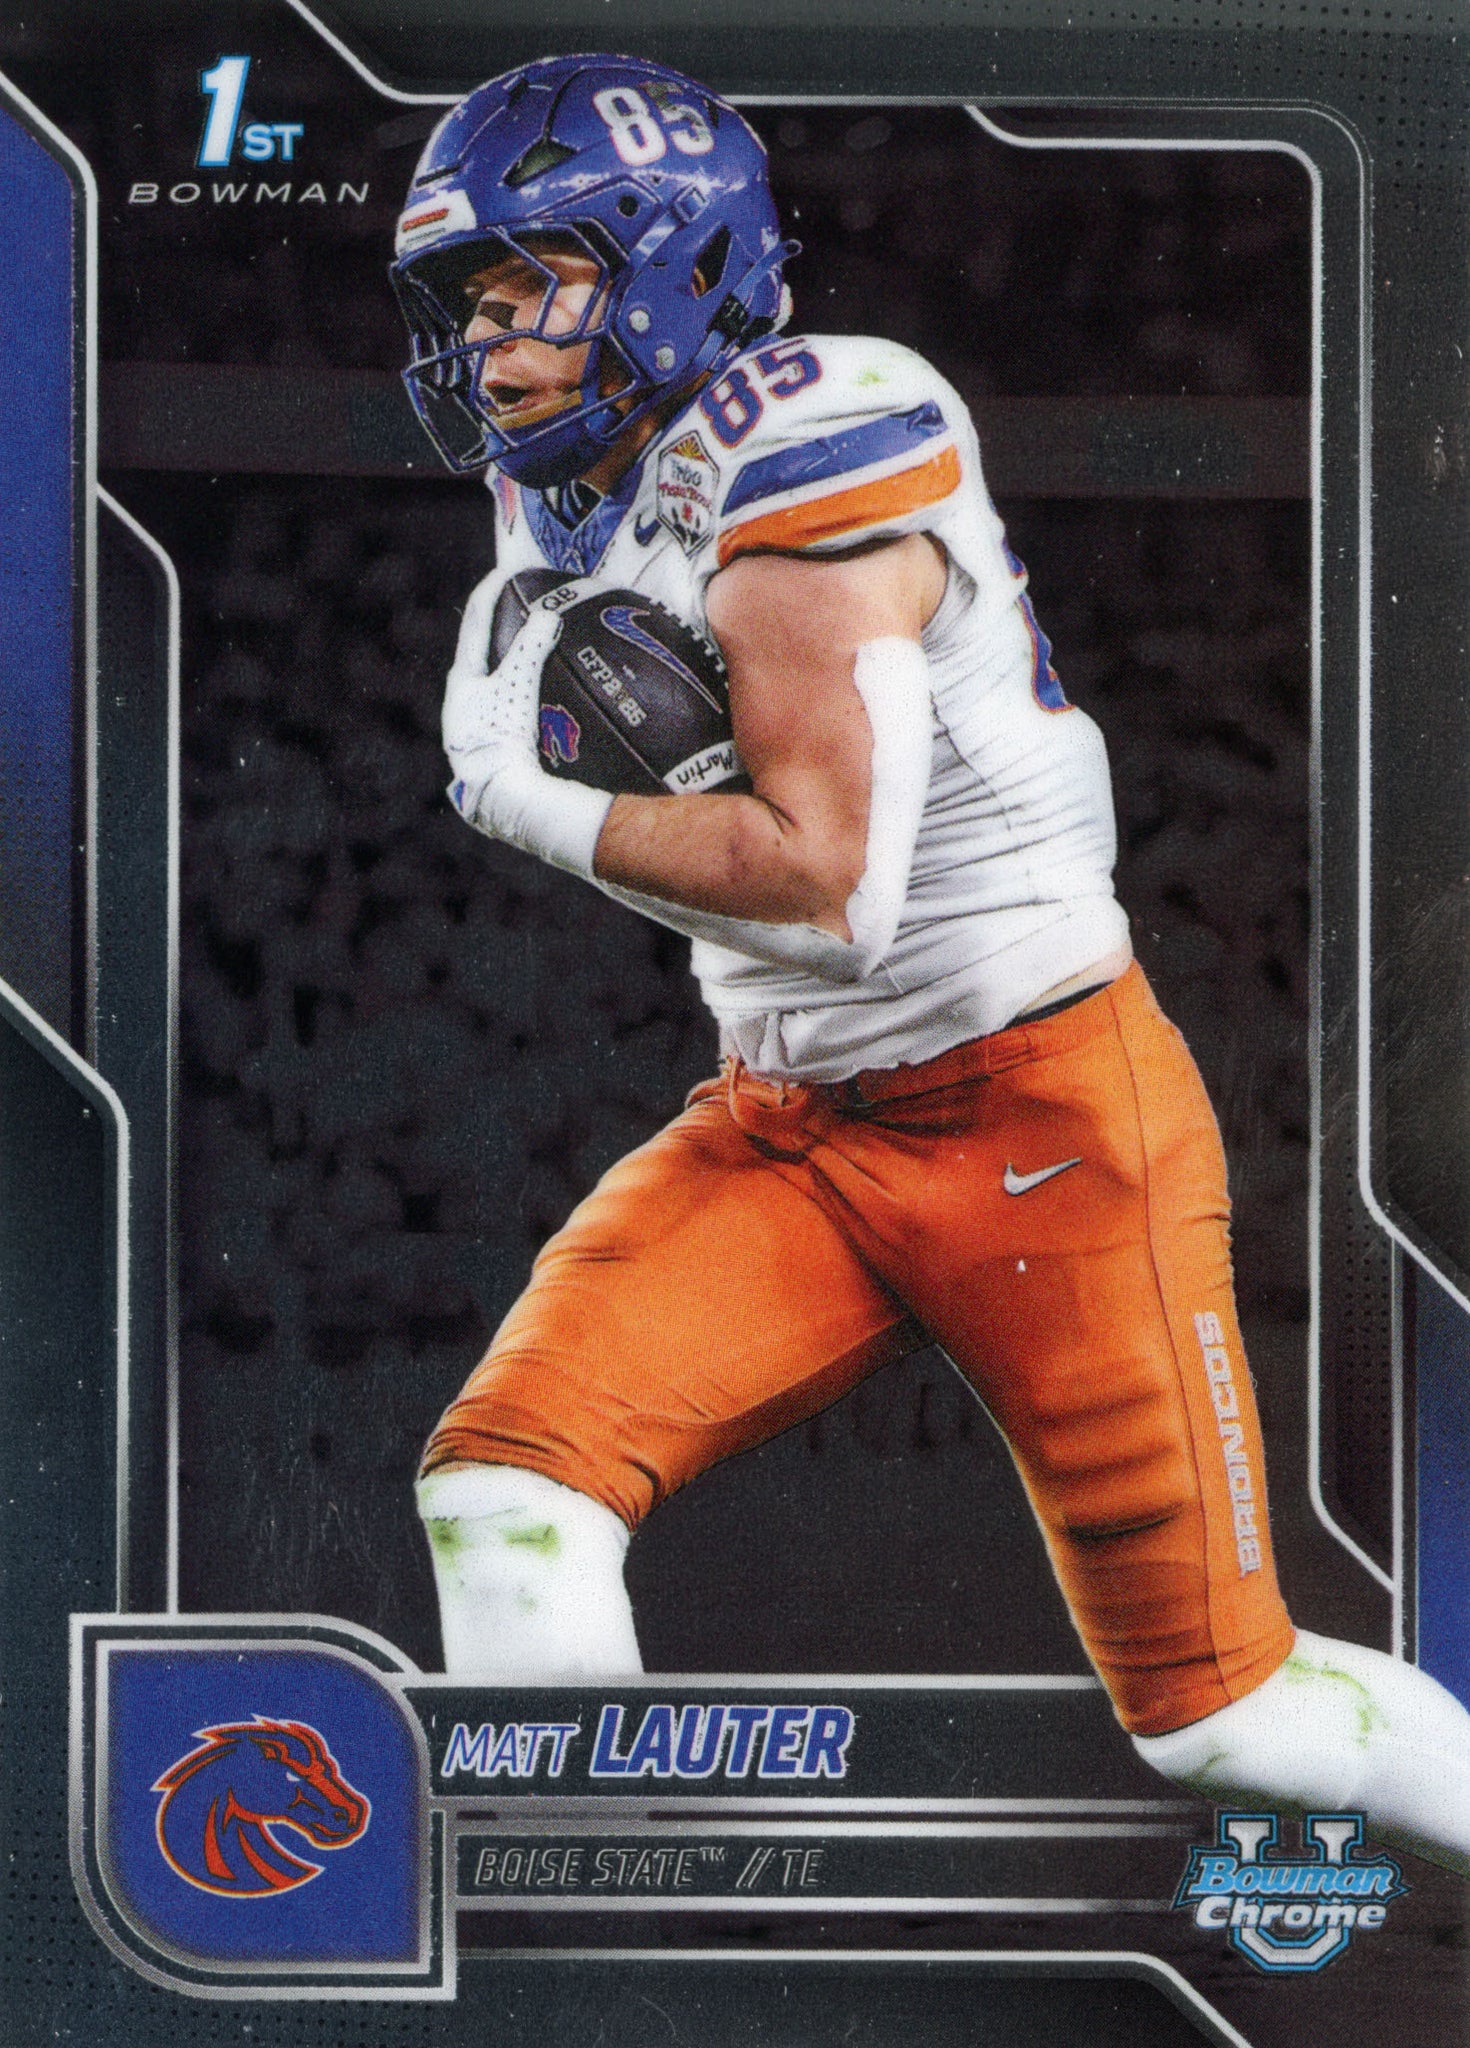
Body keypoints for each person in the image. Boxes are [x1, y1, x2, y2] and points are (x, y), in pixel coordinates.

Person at [393, 53, 1470, 1874]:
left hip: (1043, 1116)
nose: (491, 347)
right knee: (509, 1488)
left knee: (1224, 1720)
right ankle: (594, 1943)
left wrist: (522, 798)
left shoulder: (813, 437)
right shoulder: (569, 484)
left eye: (530, 292)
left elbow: (830, 893)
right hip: (793, 1121)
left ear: (670, 269)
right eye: (473, 305)